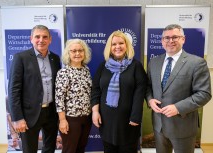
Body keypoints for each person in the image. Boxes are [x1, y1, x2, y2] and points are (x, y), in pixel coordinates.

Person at [146, 24, 212, 153]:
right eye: (167, 38)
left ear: (183, 39)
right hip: (159, 126)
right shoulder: (153, 62)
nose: (170, 41)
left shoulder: (196, 63)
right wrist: (150, 100)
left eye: (175, 37)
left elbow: (204, 93)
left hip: (183, 126)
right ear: (162, 41)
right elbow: (148, 86)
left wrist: (178, 108)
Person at [91, 30, 147, 153]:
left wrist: (136, 116)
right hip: (107, 121)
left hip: (128, 121)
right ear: (109, 47)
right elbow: (95, 90)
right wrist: (95, 111)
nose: (117, 47)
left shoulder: (136, 66)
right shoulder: (103, 66)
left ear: (126, 45)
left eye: (121, 43)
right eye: (114, 44)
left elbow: (140, 92)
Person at [8, 25, 61, 153]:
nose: (41, 40)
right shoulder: (21, 58)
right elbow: (13, 90)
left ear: (50, 39)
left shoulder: (55, 58)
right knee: (29, 150)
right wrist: (17, 118)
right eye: (37, 37)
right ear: (31, 39)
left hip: (51, 112)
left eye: (44, 37)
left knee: (49, 148)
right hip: (29, 114)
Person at [55, 39, 92, 153]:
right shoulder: (63, 72)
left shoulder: (86, 70)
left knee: (81, 149)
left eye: (80, 50)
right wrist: (62, 120)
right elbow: (59, 98)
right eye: (74, 51)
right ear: (68, 53)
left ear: (84, 53)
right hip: (70, 119)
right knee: (69, 150)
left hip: (86, 118)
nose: (77, 54)